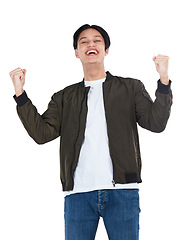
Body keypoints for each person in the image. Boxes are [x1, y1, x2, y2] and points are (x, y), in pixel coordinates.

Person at [9, 24, 172, 240]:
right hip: (78, 193)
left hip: (122, 191)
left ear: (106, 50)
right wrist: (20, 95)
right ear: (77, 52)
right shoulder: (64, 97)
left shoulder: (130, 88)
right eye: (84, 41)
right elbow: (42, 134)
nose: (90, 44)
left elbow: (156, 123)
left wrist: (163, 81)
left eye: (97, 40)